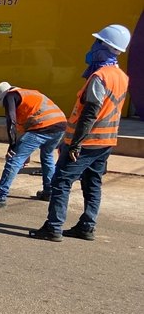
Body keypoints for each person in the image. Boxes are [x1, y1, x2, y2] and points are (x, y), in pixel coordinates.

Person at [29, 24, 131, 241]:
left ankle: (53, 227)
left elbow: (90, 113)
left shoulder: (99, 76)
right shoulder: (121, 76)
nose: (93, 47)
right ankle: (87, 226)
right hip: (106, 141)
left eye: (98, 43)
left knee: (62, 181)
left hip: (88, 141)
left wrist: (76, 143)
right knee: (93, 182)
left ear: (106, 48)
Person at [0, 83, 67, 207]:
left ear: (1, 97)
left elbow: (11, 121)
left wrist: (12, 146)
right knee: (47, 157)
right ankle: (49, 192)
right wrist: (23, 150)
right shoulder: (28, 93)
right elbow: (26, 126)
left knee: (14, 160)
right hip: (60, 125)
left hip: (43, 126)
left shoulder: (10, 96)